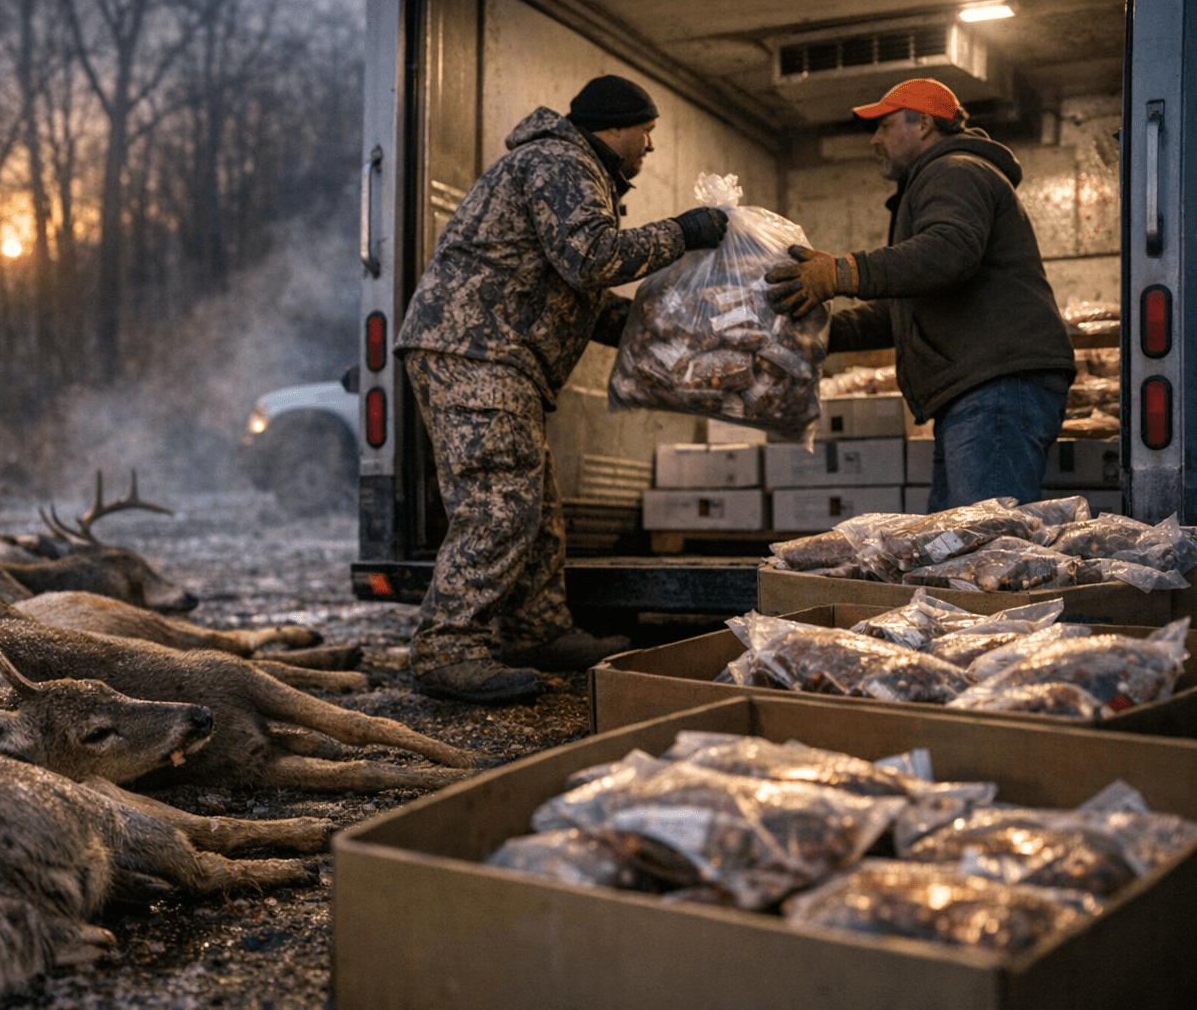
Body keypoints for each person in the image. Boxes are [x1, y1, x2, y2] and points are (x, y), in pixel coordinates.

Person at [393, 74, 728, 703]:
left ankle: (538, 631)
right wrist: (686, 230)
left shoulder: (572, 168)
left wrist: (670, 326)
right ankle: (446, 650)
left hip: (494, 351)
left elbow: (582, 295)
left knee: (538, 509)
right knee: (499, 503)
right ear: (617, 126)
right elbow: (593, 259)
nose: (650, 148)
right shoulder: (559, 159)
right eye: (647, 132)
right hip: (477, 349)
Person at [765, 77, 1075, 513]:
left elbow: (949, 252)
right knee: (956, 544)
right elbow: (903, 310)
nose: (875, 140)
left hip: (995, 386)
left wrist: (842, 272)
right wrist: (816, 334)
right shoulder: (944, 177)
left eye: (884, 126)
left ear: (924, 123)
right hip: (981, 389)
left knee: (986, 545)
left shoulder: (955, 169)